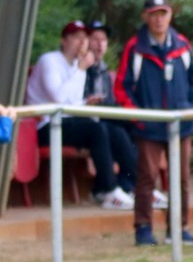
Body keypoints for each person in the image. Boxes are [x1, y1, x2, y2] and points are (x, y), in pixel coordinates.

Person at [114, 0, 193, 246]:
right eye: (153, 14)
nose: (159, 19)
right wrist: (140, 118)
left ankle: (178, 229)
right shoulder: (136, 47)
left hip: (180, 125)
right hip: (149, 127)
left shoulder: (182, 45)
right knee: (147, 177)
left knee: (182, 179)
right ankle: (143, 229)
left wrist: (192, 110)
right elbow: (122, 88)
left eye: (163, 13)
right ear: (145, 17)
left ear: (170, 16)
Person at [25, 20, 135, 210]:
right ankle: (108, 190)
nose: (81, 42)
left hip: (67, 122)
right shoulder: (49, 60)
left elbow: (73, 102)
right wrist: (82, 69)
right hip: (44, 125)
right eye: (76, 38)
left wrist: (85, 102)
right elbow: (58, 98)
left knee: (115, 131)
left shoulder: (77, 65)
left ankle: (133, 185)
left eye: (84, 38)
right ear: (64, 41)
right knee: (96, 129)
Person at [85, 20, 167, 209]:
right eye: (95, 39)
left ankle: (130, 185)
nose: (99, 44)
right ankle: (122, 188)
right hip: (89, 122)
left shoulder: (104, 70)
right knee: (116, 133)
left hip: (105, 118)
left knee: (136, 126)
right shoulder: (81, 68)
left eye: (103, 40)